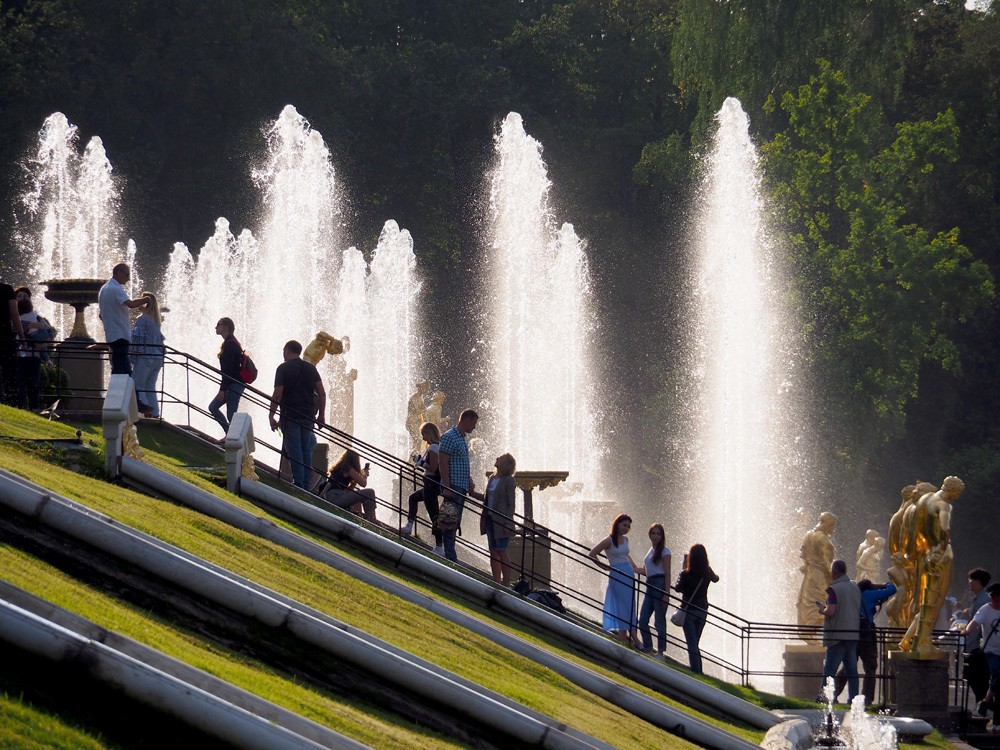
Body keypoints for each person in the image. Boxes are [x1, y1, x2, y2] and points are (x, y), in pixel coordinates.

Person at [898, 476, 963, 656]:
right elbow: (944, 529)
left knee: (925, 602)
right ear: (953, 490)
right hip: (940, 555)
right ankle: (922, 643)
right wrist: (942, 548)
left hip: (925, 554)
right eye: (958, 493)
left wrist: (910, 554)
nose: (957, 497)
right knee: (934, 602)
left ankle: (916, 640)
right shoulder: (945, 505)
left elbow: (912, 529)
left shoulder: (926, 499)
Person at [268, 340, 326, 491]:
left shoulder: (283, 368)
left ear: (287, 350)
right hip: (307, 416)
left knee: (294, 450)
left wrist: (271, 414)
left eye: (283, 350)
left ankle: (299, 484)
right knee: (305, 450)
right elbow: (321, 392)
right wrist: (321, 415)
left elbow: (277, 394)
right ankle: (305, 485)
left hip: (290, 415)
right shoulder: (310, 369)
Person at [833, 579, 897, 706]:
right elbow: (892, 590)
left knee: (848, 665)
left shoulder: (851, 596)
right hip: (866, 634)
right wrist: (884, 584)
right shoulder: (869, 594)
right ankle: (866, 699)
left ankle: (833, 694)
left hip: (851, 632)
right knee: (870, 667)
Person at [98, 263, 151, 414]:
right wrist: (148, 299)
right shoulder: (116, 289)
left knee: (122, 369)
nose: (129, 278)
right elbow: (131, 304)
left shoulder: (104, 289)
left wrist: (111, 322)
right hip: (120, 335)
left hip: (113, 334)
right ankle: (131, 403)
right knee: (123, 370)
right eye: (127, 275)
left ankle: (130, 402)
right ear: (118, 272)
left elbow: (101, 315)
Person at [588, 514, 641, 645]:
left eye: (628, 526)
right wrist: (604, 566)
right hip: (617, 574)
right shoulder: (609, 540)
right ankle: (635, 639)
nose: (626, 528)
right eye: (624, 525)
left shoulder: (626, 540)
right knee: (623, 605)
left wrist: (635, 567)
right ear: (617, 524)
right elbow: (592, 553)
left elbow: (626, 555)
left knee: (629, 605)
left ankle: (622, 638)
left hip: (628, 574)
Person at [438, 409, 479, 562]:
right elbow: (442, 462)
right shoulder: (450, 436)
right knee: (449, 522)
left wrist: (468, 480)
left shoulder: (461, 438)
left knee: (454, 522)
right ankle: (450, 557)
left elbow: (461, 463)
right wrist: (447, 486)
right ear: (466, 420)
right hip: (453, 486)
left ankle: (450, 554)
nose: (474, 427)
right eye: (474, 423)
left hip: (460, 486)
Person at [818, 559, 862, 703]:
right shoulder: (855, 587)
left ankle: (824, 697)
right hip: (853, 634)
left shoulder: (834, 590)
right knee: (852, 671)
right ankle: (854, 699)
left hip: (837, 635)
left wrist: (822, 610)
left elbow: (831, 611)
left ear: (835, 572)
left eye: (831, 571)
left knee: (829, 670)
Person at [674, 543, 719, 673]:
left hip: (688, 611)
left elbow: (678, 588)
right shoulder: (707, 572)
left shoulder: (686, 573)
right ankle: (699, 670)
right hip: (703, 610)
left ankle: (697, 671)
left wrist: (684, 566)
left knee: (692, 644)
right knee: (695, 642)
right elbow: (716, 579)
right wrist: (709, 570)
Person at [401, 421, 444, 554]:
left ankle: (439, 546)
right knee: (413, 498)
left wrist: (420, 462)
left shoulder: (433, 448)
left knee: (434, 514)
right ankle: (409, 524)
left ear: (429, 433)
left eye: (423, 434)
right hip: (430, 483)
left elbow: (433, 467)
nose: (422, 437)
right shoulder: (435, 447)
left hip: (431, 483)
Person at [478, 453, 516, 585]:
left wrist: (508, 522)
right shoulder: (492, 478)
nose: (497, 458)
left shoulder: (508, 480)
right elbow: (487, 498)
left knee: (501, 550)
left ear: (506, 464)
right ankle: (496, 581)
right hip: (489, 518)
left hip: (501, 520)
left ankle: (506, 583)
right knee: (493, 551)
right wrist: (472, 492)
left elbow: (511, 503)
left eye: (501, 458)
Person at [964, 582, 1000, 721]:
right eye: (994, 597)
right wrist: (967, 630)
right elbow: (975, 621)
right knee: (996, 673)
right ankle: (986, 705)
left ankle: (985, 703)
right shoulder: (985, 609)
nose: (997, 601)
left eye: (999, 598)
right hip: (991, 651)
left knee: (997, 680)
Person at [797, 512, 836, 627]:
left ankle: (809, 632)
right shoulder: (823, 539)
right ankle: (815, 632)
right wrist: (834, 576)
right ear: (827, 523)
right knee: (823, 602)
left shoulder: (808, 535)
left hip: (809, 575)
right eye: (832, 525)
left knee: (809, 604)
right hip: (821, 576)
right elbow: (826, 562)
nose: (832, 528)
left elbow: (802, 554)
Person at [637, 523, 671, 657]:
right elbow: (646, 570)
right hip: (650, 583)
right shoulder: (651, 550)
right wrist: (630, 565)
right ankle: (649, 649)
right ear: (649, 535)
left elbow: (668, 573)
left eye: (658, 534)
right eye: (653, 533)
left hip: (659, 584)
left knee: (659, 620)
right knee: (643, 619)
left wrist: (666, 594)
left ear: (662, 536)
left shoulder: (665, 551)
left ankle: (661, 653)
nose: (655, 536)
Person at [129, 292, 165, 418]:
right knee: (150, 385)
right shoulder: (156, 321)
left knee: (137, 384)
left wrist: (131, 354)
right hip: (157, 357)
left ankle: (146, 411)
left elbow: (138, 339)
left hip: (145, 356)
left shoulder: (142, 319)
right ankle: (155, 413)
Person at [208, 317, 245, 436]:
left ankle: (236, 439)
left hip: (234, 384)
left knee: (231, 414)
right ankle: (230, 434)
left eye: (218, 324)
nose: (216, 327)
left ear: (226, 327)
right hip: (232, 383)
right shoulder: (229, 343)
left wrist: (222, 390)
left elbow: (227, 371)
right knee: (213, 407)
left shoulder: (231, 345)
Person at [323, 448, 377, 522]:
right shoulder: (349, 469)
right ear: (354, 460)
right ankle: (372, 519)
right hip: (336, 497)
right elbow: (363, 484)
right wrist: (365, 475)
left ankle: (361, 519)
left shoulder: (339, 468)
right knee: (370, 492)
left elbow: (348, 490)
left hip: (332, 496)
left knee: (357, 497)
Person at [15, 295, 44, 410]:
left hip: (22, 353)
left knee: (21, 382)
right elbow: (48, 331)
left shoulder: (18, 319)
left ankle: (21, 405)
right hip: (33, 354)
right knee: (33, 383)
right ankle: (33, 406)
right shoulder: (36, 318)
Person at [1, 281, 27, 404]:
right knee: (9, 372)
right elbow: (14, 313)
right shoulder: (6, 289)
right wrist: (22, 337)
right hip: (3, 335)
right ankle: (10, 401)